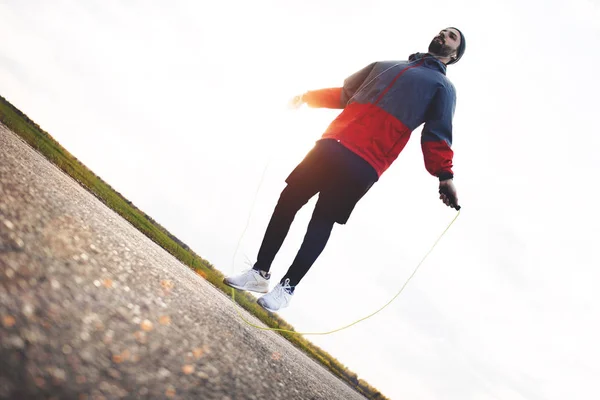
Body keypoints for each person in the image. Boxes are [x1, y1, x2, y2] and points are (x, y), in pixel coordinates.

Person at [224, 27, 466, 312]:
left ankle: (287, 287)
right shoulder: (386, 66)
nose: (443, 35)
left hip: (366, 161)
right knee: (288, 199)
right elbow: (345, 95)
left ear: (454, 55)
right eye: (442, 31)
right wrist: (307, 97)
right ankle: (259, 273)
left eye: (452, 37)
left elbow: (437, 134)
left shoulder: (443, 87)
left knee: (322, 219)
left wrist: (444, 175)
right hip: (331, 143)